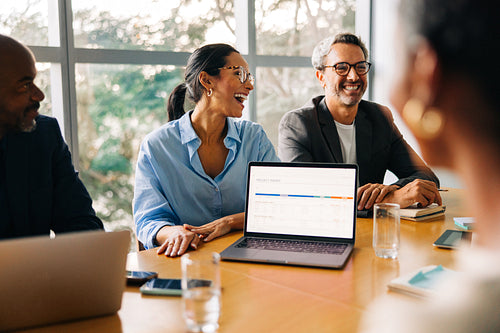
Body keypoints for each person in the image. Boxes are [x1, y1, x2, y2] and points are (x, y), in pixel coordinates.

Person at [359, 0, 500, 332]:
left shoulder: (416, 323)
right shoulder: (299, 122)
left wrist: (390, 192)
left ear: (426, 75)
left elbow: (423, 174)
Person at [133, 43, 279, 257]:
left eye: (250, 77)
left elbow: (277, 205)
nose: (249, 86)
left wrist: (229, 222)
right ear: (207, 80)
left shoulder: (254, 138)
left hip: (248, 258)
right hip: (185, 261)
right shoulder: (157, 146)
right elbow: (148, 220)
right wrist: (172, 233)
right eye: (240, 74)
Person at [278, 33, 441, 211]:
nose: (354, 76)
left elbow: (427, 177)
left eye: (360, 67)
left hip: (372, 231)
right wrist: (388, 200)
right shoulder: (297, 124)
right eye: (342, 68)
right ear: (321, 77)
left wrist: (390, 190)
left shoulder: (379, 117)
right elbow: (302, 197)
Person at [0, 35, 103, 238]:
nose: (39, 95)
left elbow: (83, 225)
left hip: (39, 270)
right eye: (24, 85)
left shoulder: (44, 136)